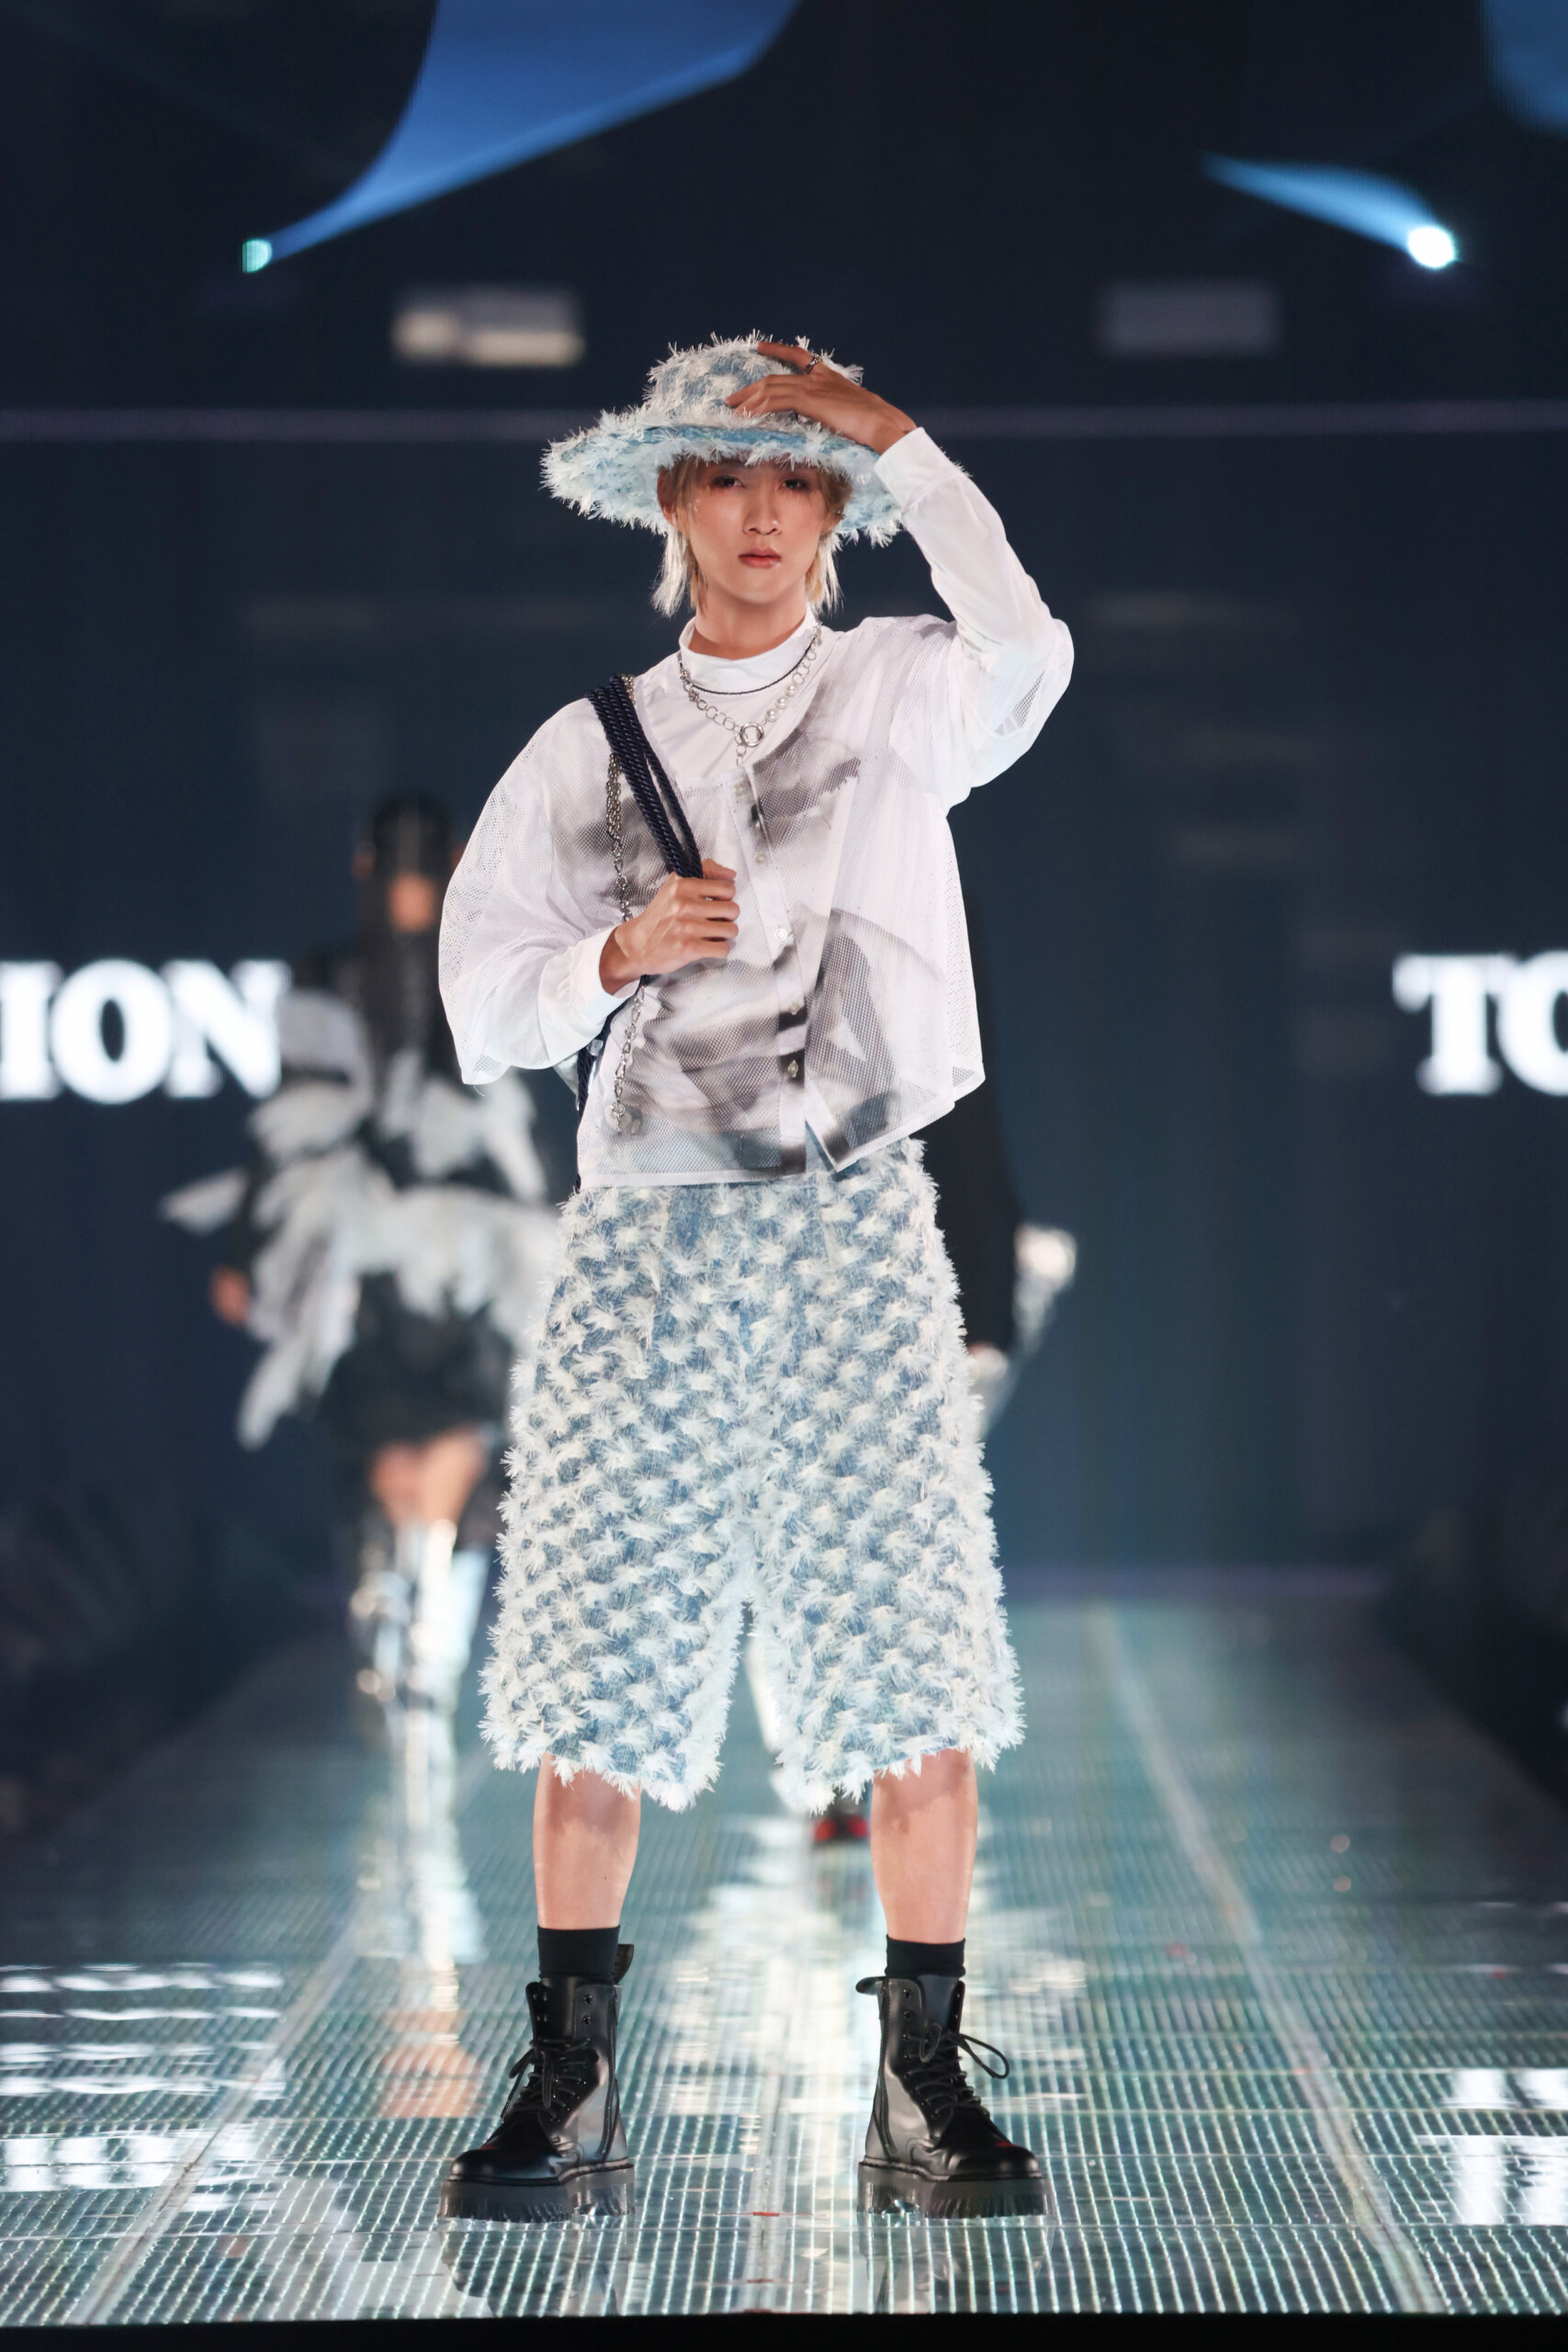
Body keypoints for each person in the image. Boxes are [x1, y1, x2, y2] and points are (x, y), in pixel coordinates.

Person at [435, 339, 1073, 2222]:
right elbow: (483, 995)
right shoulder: (587, 742)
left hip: (851, 1212)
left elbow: (1029, 648)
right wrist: (616, 952)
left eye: (799, 477)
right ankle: (566, 2082)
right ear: (673, 503)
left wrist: (901, 437)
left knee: (915, 1662)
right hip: (647, 1228)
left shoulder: (899, 689)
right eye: (728, 475)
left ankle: (921, 2085)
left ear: (836, 508)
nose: (766, 511)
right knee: (592, 1668)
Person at [164, 793, 568, 1737]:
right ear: (459, 857)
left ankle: (398, 1623)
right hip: (456, 1251)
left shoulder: (337, 972)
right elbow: (512, 1126)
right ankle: (425, 1649)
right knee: (453, 1446)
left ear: (359, 864)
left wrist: (250, 1250)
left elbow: (290, 1122)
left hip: (379, 1250)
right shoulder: (478, 964)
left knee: (412, 1452)